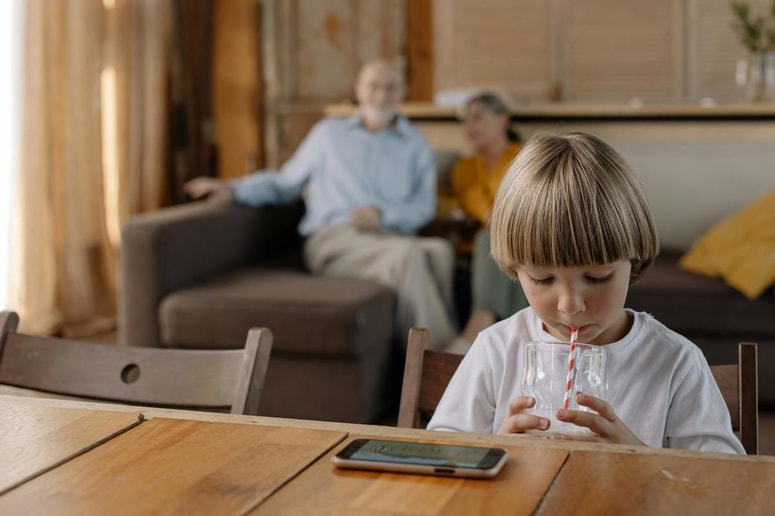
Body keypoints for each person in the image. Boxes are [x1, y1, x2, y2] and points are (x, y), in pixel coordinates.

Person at [428, 131, 745, 454]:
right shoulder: (496, 351)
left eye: (596, 277)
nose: (570, 305)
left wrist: (641, 460)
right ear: (515, 269)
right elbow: (441, 454)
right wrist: (493, 450)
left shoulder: (675, 363)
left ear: (633, 262)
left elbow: (726, 484)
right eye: (541, 278)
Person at [183, 58, 457, 350]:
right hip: (334, 240)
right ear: (359, 90)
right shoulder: (329, 134)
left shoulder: (414, 142)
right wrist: (233, 189)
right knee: (407, 257)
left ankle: (441, 354)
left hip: (389, 236)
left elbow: (423, 206)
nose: (381, 95)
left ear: (402, 92)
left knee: (439, 251)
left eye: (390, 87)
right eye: (373, 86)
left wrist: (384, 214)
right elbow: (285, 182)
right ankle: (443, 362)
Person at [446, 92, 528, 354]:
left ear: (503, 119)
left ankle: (479, 323)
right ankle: (520, 342)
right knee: (487, 238)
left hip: (519, 240)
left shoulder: (526, 159)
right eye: (466, 121)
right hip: (476, 248)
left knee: (495, 235)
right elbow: (451, 206)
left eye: (478, 118)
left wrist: (504, 215)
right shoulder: (463, 168)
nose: (469, 127)